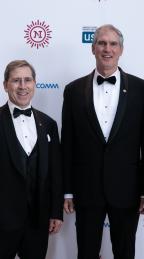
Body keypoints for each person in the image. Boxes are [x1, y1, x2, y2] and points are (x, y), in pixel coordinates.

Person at [61, 24, 144, 259]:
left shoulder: (141, 89)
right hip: (86, 188)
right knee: (87, 252)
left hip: (127, 189)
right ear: (92, 48)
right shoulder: (72, 90)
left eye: (113, 44)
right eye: (101, 43)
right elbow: (68, 144)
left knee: (125, 252)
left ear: (121, 49)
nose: (107, 49)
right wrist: (67, 191)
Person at [0, 60, 63, 259]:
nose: (22, 86)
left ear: (34, 84)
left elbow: (55, 172)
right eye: (16, 80)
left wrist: (56, 212)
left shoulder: (49, 123)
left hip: (38, 220)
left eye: (27, 80)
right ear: (5, 85)